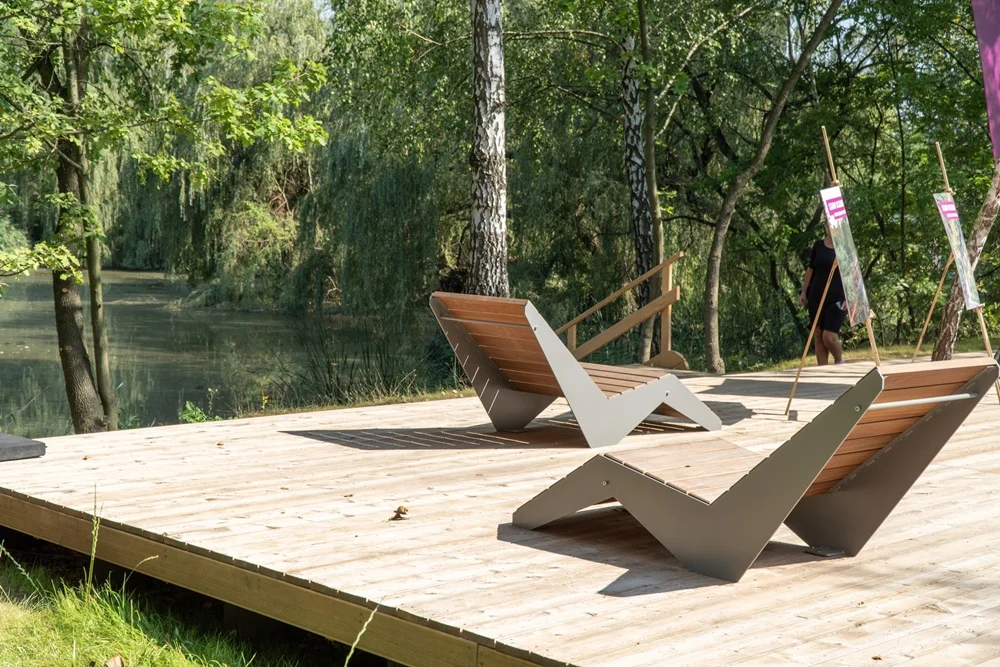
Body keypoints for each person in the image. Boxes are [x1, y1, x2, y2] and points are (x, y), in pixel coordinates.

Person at [798, 228, 847, 365]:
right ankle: (822, 370)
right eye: (827, 224)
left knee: (829, 336)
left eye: (833, 225)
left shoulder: (844, 247)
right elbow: (810, 270)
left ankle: (839, 361)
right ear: (825, 226)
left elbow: (852, 273)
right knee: (818, 334)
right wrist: (804, 291)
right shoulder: (818, 245)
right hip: (816, 296)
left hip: (838, 298)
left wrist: (849, 297)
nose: (830, 228)